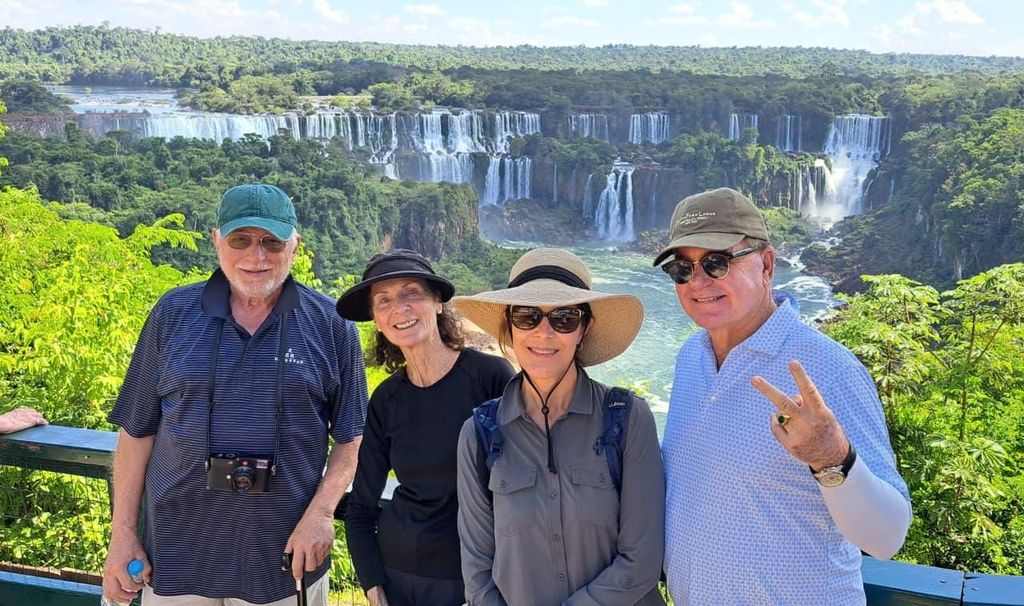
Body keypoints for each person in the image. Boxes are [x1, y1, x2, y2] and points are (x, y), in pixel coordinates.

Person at [102, 183, 368, 606]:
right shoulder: (172, 313)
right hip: (174, 552)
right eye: (240, 240)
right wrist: (122, 535)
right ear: (216, 240)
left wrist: (321, 514)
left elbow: (352, 438)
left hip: (284, 559)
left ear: (295, 245)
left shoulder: (332, 325)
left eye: (271, 242)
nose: (256, 256)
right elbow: (136, 432)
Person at [653, 187, 912, 605]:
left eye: (717, 263)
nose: (697, 282)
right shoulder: (691, 357)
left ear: (767, 264)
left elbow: (887, 538)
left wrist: (832, 458)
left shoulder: (827, 368)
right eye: (682, 268)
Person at [454, 248, 665, 606]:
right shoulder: (479, 434)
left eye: (564, 318)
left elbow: (641, 560)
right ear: (509, 326)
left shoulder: (627, 419)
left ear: (584, 329)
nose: (544, 332)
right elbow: (477, 573)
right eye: (527, 316)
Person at [337, 249, 515, 606]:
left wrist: (495, 585)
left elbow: (523, 491)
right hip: (397, 577)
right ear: (376, 319)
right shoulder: (387, 399)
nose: (399, 309)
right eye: (384, 300)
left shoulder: (490, 378)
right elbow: (360, 508)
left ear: (437, 302)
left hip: (471, 580)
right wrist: (372, 584)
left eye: (411, 293)